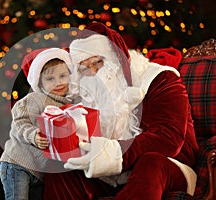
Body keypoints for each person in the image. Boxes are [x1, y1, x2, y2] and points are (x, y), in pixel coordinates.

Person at [43, 22, 199, 199]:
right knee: (62, 166)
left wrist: (111, 154)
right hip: (108, 176)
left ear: (115, 59)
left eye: (98, 62)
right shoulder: (83, 93)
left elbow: (168, 138)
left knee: (150, 163)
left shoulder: (159, 78)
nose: (94, 72)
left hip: (169, 166)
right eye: (85, 68)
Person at [0, 47, 75, 200]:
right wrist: (33, 135)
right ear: (40, 82)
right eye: (50, 79)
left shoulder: (68, 106)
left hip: (39, 171)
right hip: (17, 163)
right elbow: (20, 119)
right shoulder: (36, 98)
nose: (58, 83)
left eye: (62, 76)